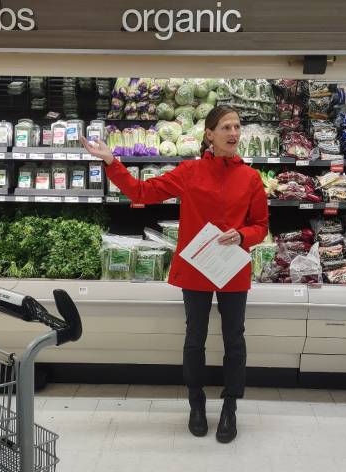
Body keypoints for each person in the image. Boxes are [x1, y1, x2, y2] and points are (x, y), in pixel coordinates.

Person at [81, 105, 268, 444]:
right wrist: (112, 162)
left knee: (234, 340)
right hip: (197, 268)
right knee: (194, 338)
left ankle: (230, 406)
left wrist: (242, 236)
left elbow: (261, 227)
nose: (234, 133)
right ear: (209, 134)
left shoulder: (251, 178)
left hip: (232, 270)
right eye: (226, 127)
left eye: (237, 127)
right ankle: (196, 404)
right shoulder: (189, 171)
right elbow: (141, 193)